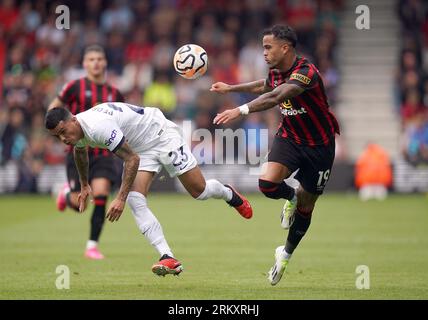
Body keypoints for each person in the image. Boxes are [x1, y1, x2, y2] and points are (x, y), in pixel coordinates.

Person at [44, 103, 252, 276]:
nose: (63, 139)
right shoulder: (77, 129)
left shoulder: (98, 127)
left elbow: (131, 159)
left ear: (72, 119)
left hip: (161, 135)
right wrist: (84, 184)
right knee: (136, 199)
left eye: (62, 132)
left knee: (200, 191)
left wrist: (120, 198)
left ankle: (229, 194)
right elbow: (80, 152)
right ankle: (168, 257)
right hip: (141, 148)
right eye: (57, 137)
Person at [211, 25, 340, 285]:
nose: (264, 53)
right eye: (263, 48)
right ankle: (290, 196)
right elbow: (266, 85)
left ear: (285, 47)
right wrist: (231, 88)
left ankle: (286, 254)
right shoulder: (276, 72)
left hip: (320, 147)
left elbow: (277, 95)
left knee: (308, 206)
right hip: (290, 137)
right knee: (267, 184)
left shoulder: (306, 73)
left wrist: (240, 110)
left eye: (268, 47)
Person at [47, 45, 125, 260]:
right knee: (78, 203)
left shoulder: (115, 93)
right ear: (84, 64)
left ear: (105, 62)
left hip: (103, 153)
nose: (96, 63)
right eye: (91, 59)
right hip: (77, 150)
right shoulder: (74, 87)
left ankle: (92, 246)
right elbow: (53, 111)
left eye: (100, 58)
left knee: (100, 195)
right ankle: (66, 194)